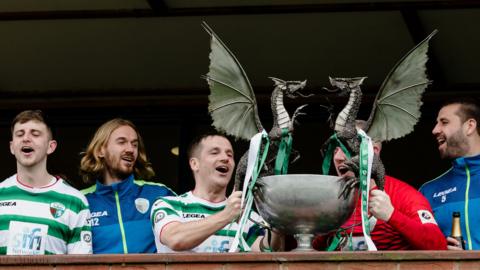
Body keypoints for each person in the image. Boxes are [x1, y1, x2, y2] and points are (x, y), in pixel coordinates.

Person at [313, 121, 447, 251]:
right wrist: (325, 228)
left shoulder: (402, 194)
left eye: (345, 148)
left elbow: (438, 245)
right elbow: (303, 251)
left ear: (373, 152)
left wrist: (392, 215)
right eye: (335, 149)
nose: (338, 157)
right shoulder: (328, 197)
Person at [151, 132, 283, 252]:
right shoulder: (168, 204)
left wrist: (277, 221)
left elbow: (267, 251)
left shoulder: (245, 215)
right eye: (215, 153)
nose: (225, 158)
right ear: (194, 164)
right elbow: (175, 239)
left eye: (229, 154)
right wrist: (227, 215)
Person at [0, 110, 92, 255]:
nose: (26, 138)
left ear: (51, 146)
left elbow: (81, 265)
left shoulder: (75, 201)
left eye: (35, 134)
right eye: (20, 134)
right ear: (12, 147)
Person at [80, 118, 175, 254]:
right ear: (101, 150)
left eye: (134, 144)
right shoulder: (81, 201)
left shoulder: (159, 194)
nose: (130, 149)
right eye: (122, 142)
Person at [419, 98, 480, 250]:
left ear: (470, 126)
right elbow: (416, 245)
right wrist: (440, 248)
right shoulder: (428, 191)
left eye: (444, 122)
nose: (435, 130)